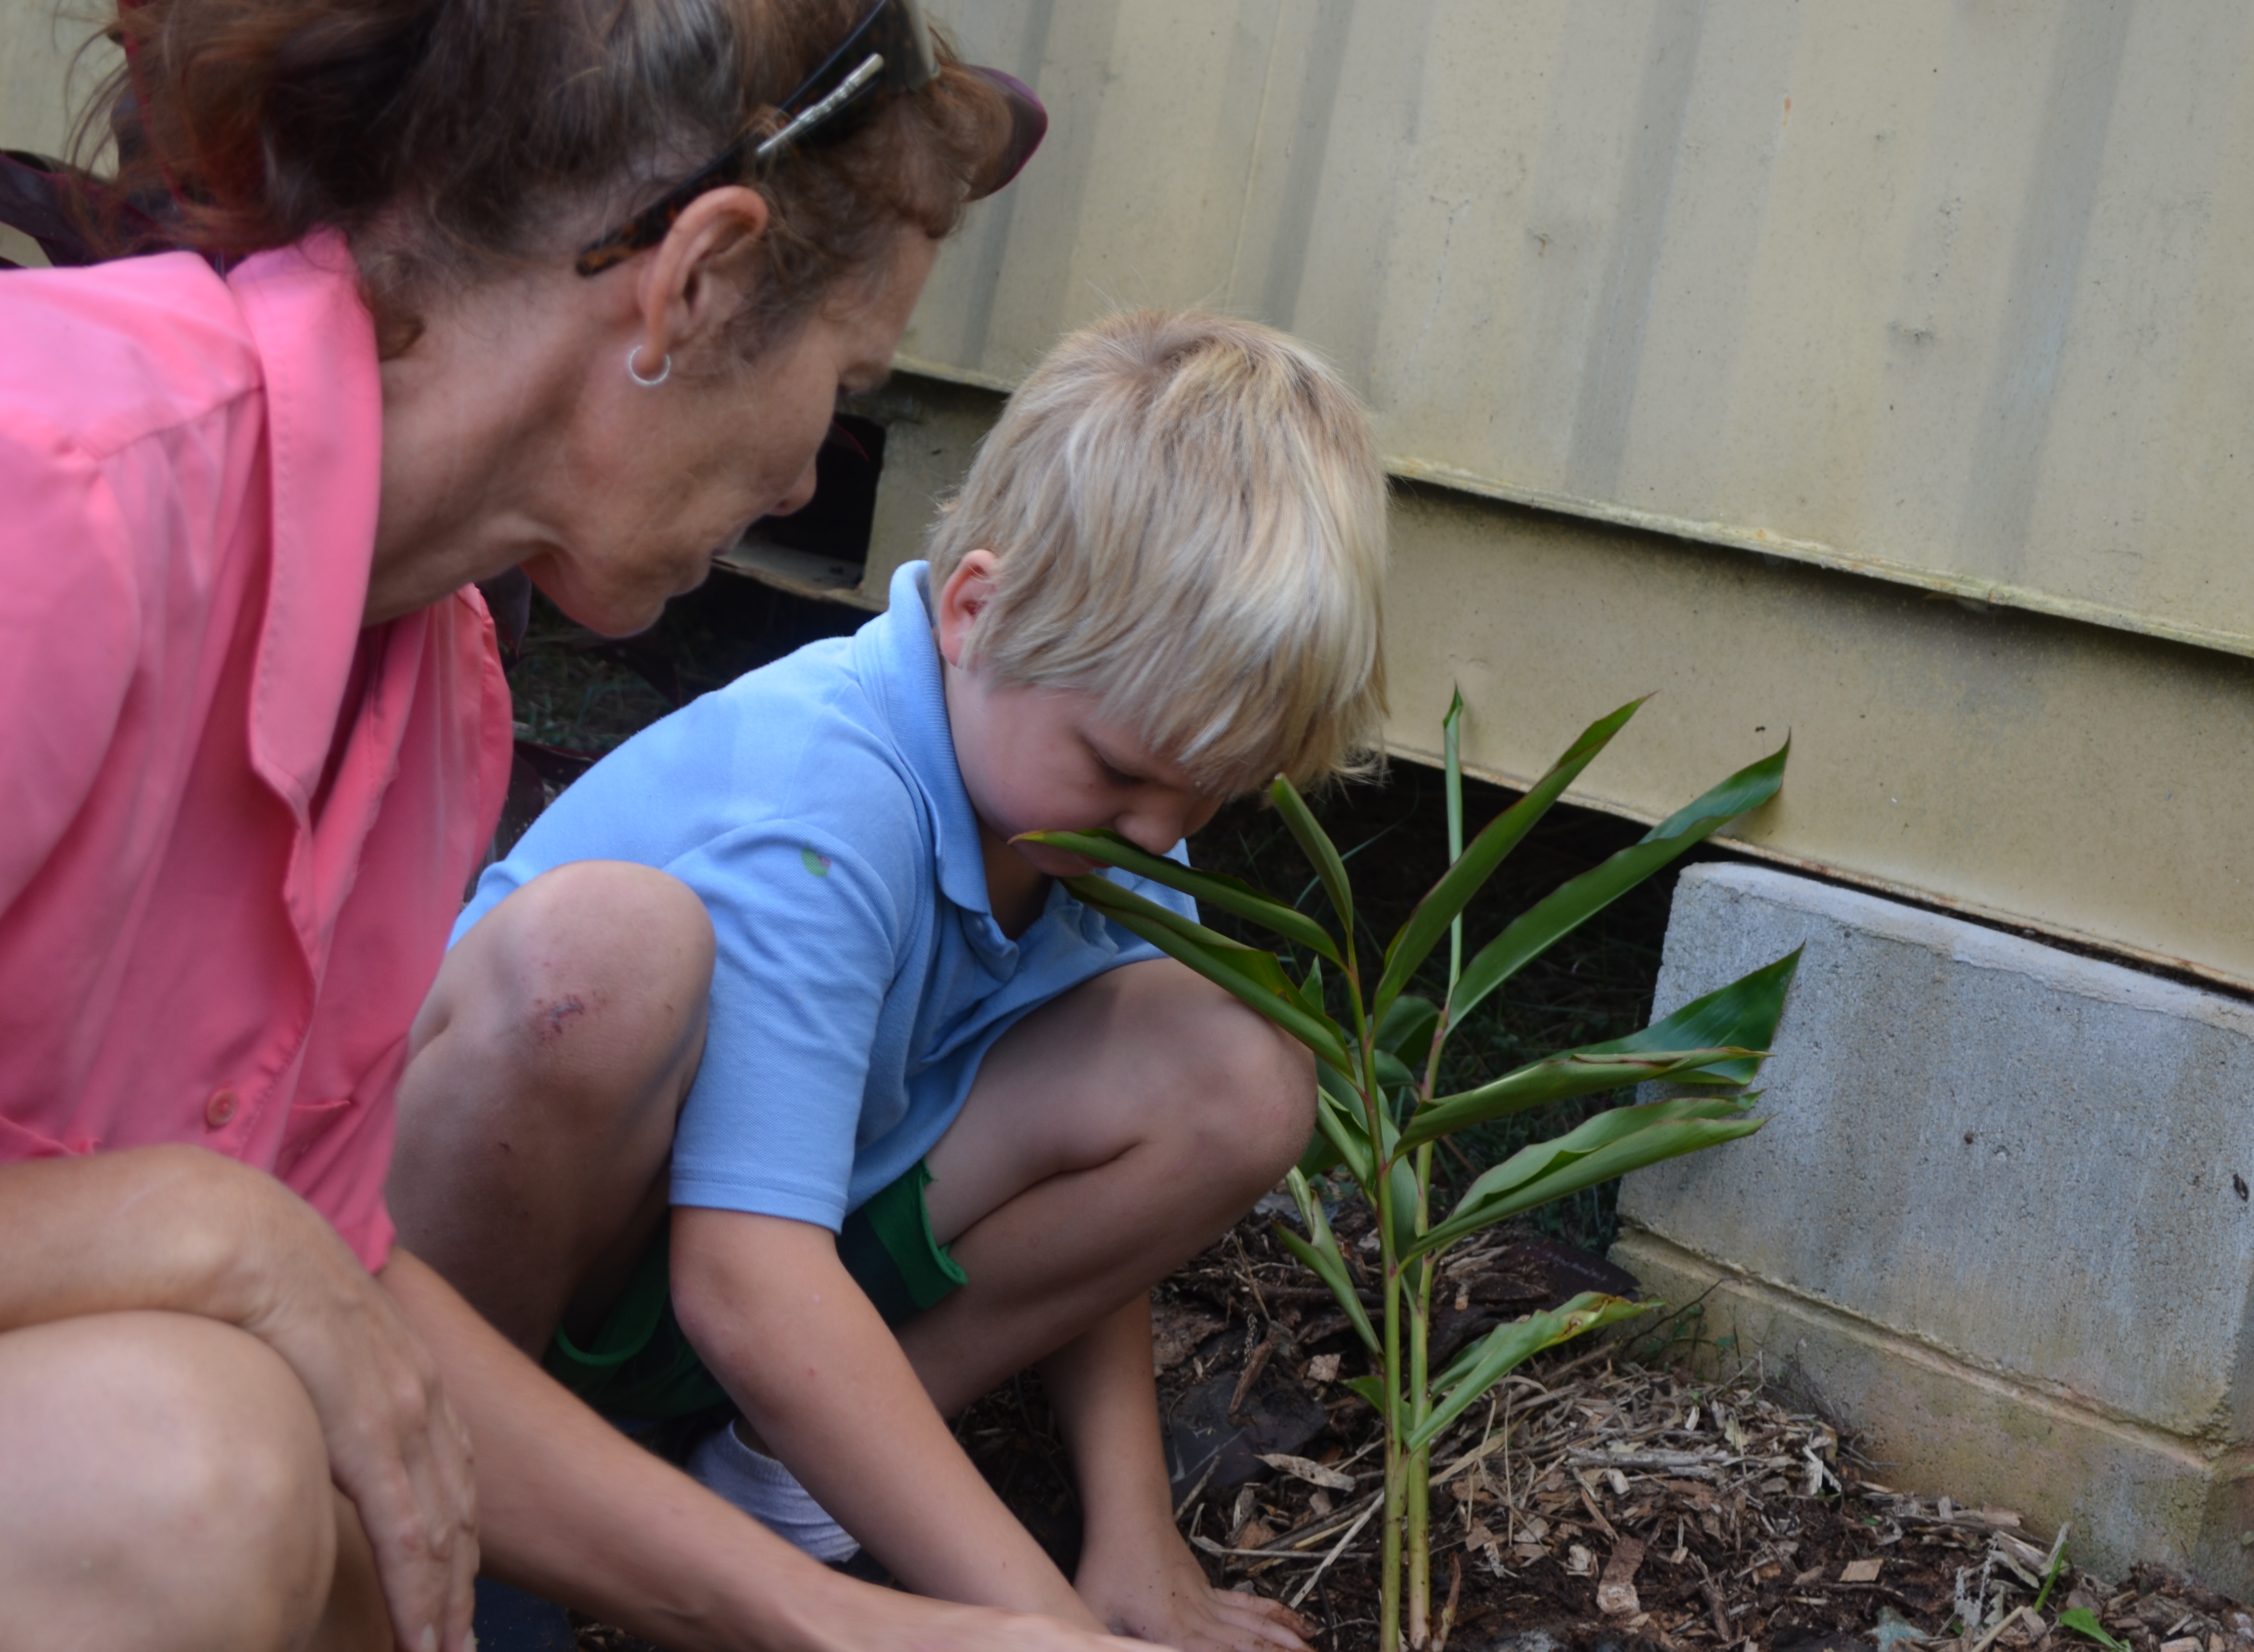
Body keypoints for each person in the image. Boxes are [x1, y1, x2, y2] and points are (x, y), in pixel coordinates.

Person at [0, 2, 1144, 1649]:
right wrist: (204, 1228)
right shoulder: (63, 493)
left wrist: (854, 1629)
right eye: (846, 376)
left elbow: (363, 1311)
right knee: (200, 1470)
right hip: (137, 1470)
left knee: (339, 1511)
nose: (808, 468)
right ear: (696, 280)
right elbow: (267, 1273)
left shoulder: (434, 690)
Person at [386, 309, 1393, 1652]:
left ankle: (774, 1492)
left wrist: (1130, 1538)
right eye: (1126, 773)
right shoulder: (830, 798)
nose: (1164, 830)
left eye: (1216, 789)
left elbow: (1082, 1200)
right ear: (978, 612)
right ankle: (466, 1487)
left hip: (757, 1292)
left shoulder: (1095, 810)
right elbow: (744, 1278)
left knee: (1234, 1066)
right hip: (522, 1278)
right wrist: (1035, 1627)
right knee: (603, 965)